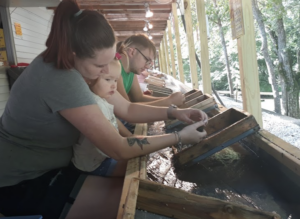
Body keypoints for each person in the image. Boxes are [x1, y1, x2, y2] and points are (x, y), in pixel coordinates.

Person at [0, 0, 208, 218]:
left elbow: (127, 108)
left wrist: (174, 112)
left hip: (60, 164)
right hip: (22, 181)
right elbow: (118, 148)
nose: (105, 72)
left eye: (108, 63)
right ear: (73, 54)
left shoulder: (72, 67)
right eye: (99, 66)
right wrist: (179, 136)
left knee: (140, 179)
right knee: (138, 206)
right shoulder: (61, 78)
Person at [72, 54, 129, 177]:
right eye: (108, 79)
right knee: (129, 170)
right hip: (90, 165)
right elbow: (115, 146)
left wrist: (130, 136)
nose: (114, 85)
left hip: (100, 157)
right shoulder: (95, 103)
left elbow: (114, 120)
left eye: (115, 80)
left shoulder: (102, 99)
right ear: (89, 78)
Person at [117, 36, 185, 107]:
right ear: (132, 52)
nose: (147, 66)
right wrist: (169, 101)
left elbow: (139, 98)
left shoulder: (131, 70)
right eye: (147, 60)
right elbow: (127, 108)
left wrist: (170, 99)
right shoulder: (116, 70)